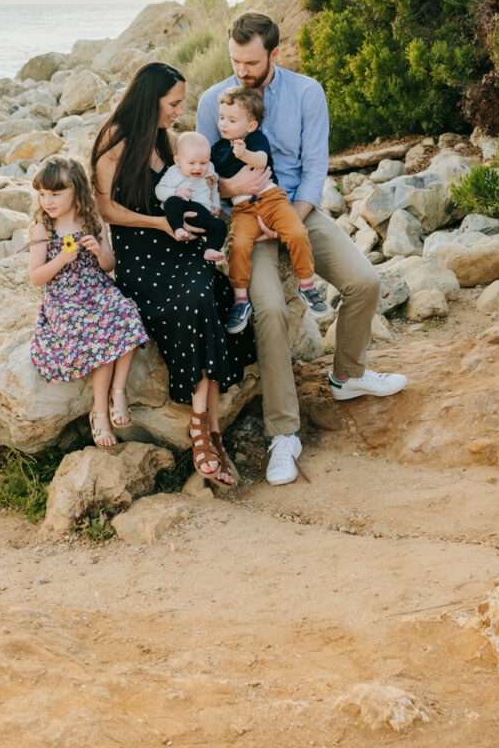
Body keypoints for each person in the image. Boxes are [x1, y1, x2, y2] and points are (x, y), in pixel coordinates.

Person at [197, 11, 407, 486]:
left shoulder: (307, 92)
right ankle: (284, 434)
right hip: (247, 217)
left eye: (251, 62)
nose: (241, 71)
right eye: (235, 60)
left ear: (275, 53)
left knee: (365, 281)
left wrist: (292, 213)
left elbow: (315, 166)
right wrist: (238, 197)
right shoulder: (214, 101)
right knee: (268, 309)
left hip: (300, 210)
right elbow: (205, 175)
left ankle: (347, 375)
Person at [91, 62, 254, 487]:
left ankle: (203, 425)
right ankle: (209, 432)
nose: (179, 112)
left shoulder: (167, 143)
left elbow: (194, 184)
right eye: (173, 103)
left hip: (178, 242)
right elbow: (106, 210)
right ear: (151, 100)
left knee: (209, 292)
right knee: (192, 300)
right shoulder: (114, 140)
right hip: (140, 251)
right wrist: (160, 225)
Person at [28, 155, 148, 448]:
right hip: (64, 299)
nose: (48, 201)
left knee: (126, 312)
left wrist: (97, 251)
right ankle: (98, 411)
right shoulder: (43, 229)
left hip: (96, 289)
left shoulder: (92, 222)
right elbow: (36, 277)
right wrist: (60, 259)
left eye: (56, 193)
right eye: (43, 194)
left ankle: (118, 392)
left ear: (77, 191)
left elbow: (108, 264)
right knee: (96, 333)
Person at [210, 85, 329, 332]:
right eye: (221, 117)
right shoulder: (217, 150)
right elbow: (211, 177)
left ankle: (306, 285)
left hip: (272, 199)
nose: (224, 124)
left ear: (251, 125)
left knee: (296, 232)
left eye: (231, 120)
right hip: (243, 209)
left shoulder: (254, 140)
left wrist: (244, 154)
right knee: (239, 245)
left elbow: (262, 161)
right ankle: (241, 299)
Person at [154, 131, 225, 261]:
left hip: (202, 213)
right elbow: (159, 190)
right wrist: (175, 192)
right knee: (172, 202)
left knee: (220, 225)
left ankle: (210, 249)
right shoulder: (174, 172)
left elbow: (214, 187)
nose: (198, 168)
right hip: (182, 208)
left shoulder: (210, 169)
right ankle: (178, 229)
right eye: (191, 163)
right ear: (178, 161)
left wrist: (215, 203)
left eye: (203, 163)